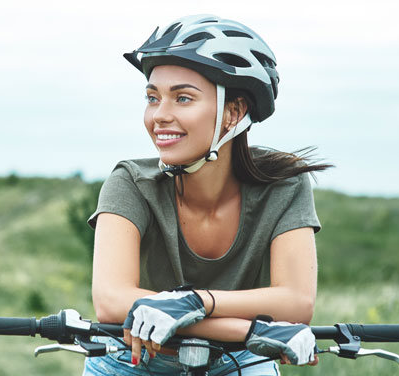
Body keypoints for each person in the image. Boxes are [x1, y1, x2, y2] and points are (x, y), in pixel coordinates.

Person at [83, 15, 332, 375]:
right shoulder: (131, 182)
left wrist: (195, 302)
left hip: (240, 358)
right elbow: (112, 303)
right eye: (152, 98)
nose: (159, 116)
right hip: (133, 357)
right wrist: (250, 329)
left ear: (234, 112)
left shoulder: (284, 186)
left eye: (182, 98)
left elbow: (295, 304)